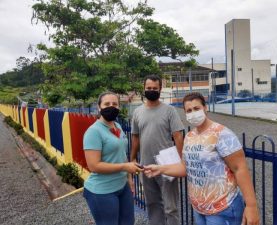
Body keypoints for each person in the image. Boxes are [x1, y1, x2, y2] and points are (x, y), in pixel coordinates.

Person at [145, 92, 260, 225]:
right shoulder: (189, 136)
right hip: (199, 210)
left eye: (196, 108)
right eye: (189, 110)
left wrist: (251, 206)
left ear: (205, 108)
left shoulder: (221, 133)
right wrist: (160, 169)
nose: (193, 113)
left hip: (223, 209)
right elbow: (185, 167)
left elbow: (240, 168)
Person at [130, 75, 184, 225]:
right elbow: (135, 137)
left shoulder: (170, 111)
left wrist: (181, 161)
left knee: (170, 207)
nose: (151, 90)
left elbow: (178, 136)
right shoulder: (138, 112)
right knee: (153, 204)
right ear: (144, 89)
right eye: (149, 88)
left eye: (155, 88)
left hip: (166, 165)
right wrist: (133, 158)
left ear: (160, 89)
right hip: (146, 165)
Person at [83, 92, 143, 225]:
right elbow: (94, 166)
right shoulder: (93, 132)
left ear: (119, 107)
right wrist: (125, 167)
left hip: (122, 186)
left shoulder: (118, 127)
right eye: (107, 104)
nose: (111, 106)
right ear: (99, 107)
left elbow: (122, 155)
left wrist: (129, 178)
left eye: (115, 104)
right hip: (102, 191)